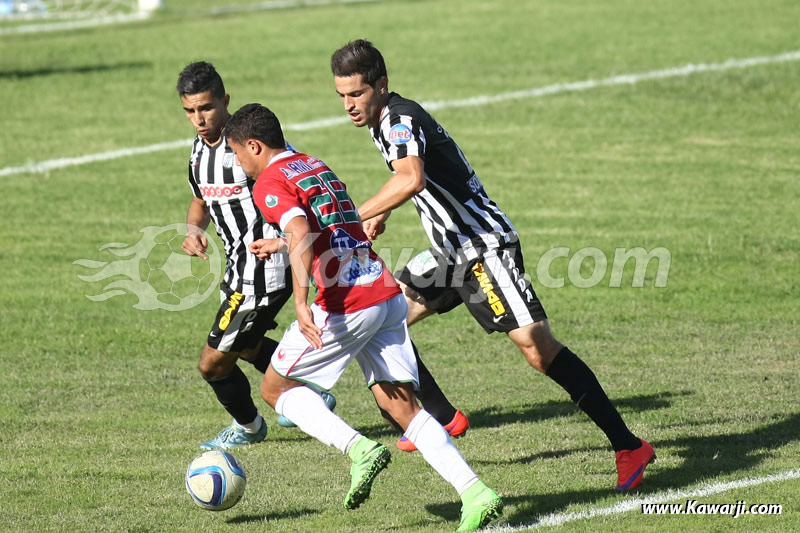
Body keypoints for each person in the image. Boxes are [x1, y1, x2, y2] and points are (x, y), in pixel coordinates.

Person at [330, 39, 655, 491]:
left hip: (482, 246)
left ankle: (628, 446)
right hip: (450, 251)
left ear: (381, 86)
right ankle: (441, 416)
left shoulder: (399, 119)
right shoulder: (383, 120)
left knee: (537, 348)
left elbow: (411, 177)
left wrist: (351, 217)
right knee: (386, 315)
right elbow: (415, 179)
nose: (348, 105)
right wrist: (382, 211)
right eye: (342, 96)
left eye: (356, 94)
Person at [225, 103, 503, 531]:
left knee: (275, 386)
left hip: (347, 303)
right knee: (403, 406)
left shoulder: (269, 181)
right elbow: (337, 225)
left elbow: (299, 230)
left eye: (237, 154)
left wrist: (301, 302)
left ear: (254, 145)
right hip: (384, 292)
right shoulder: (313, 163)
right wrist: (283, 247)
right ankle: (476, 492)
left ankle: (359, 449)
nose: (238, 164)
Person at [175, 61, 336, 450]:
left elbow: (295, 178)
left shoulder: (249, 147)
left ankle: (249, 426)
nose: (198, 118)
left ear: (225, 100)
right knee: (246, 344)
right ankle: (309, 392)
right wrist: (194, 229)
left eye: (206, 108)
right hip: (236, 269)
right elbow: (200, 199)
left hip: (268, 267)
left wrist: (286, 241)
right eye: (190, 111)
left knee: (212, 363)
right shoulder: (199, 151)